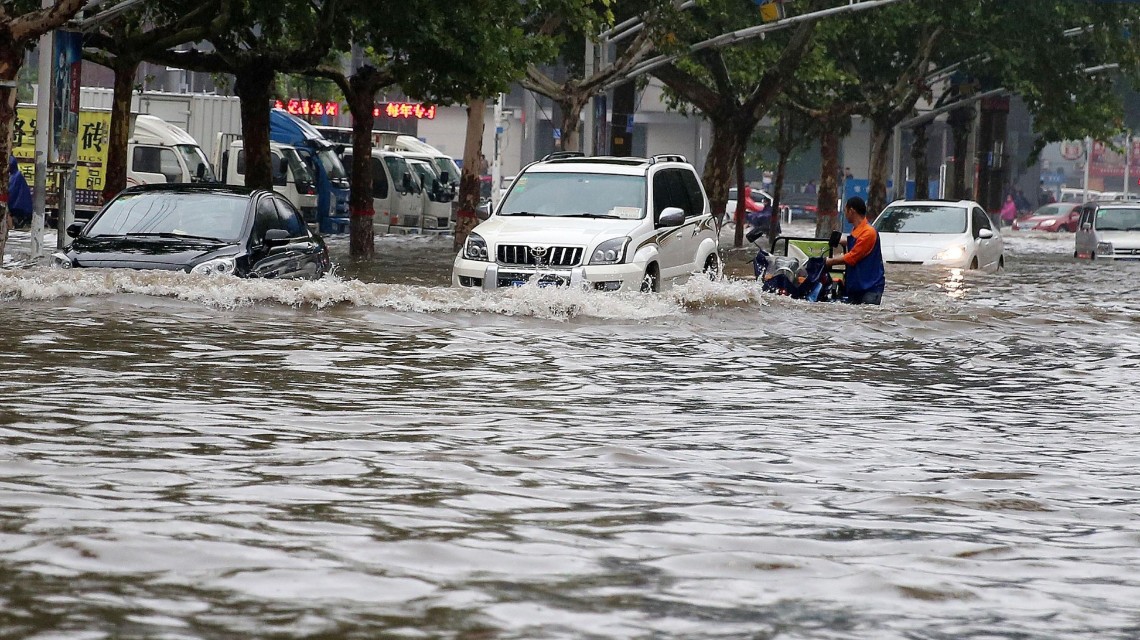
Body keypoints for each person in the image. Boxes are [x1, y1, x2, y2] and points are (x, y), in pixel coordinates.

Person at [824, 196, 885, 305]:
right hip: (856, 286)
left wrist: (829, 261)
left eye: (845, 210)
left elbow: (853, 257)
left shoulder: (869, 232)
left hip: (870, 287)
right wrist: (843, 241)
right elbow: (857, 243)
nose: (845, 213)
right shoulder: (857, 230)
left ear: (851, 211)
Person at [8, 156, 32, 229]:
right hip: (22, 209)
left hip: (17, 209)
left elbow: (10, 193)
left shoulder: (14, 177)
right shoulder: (16, 175)